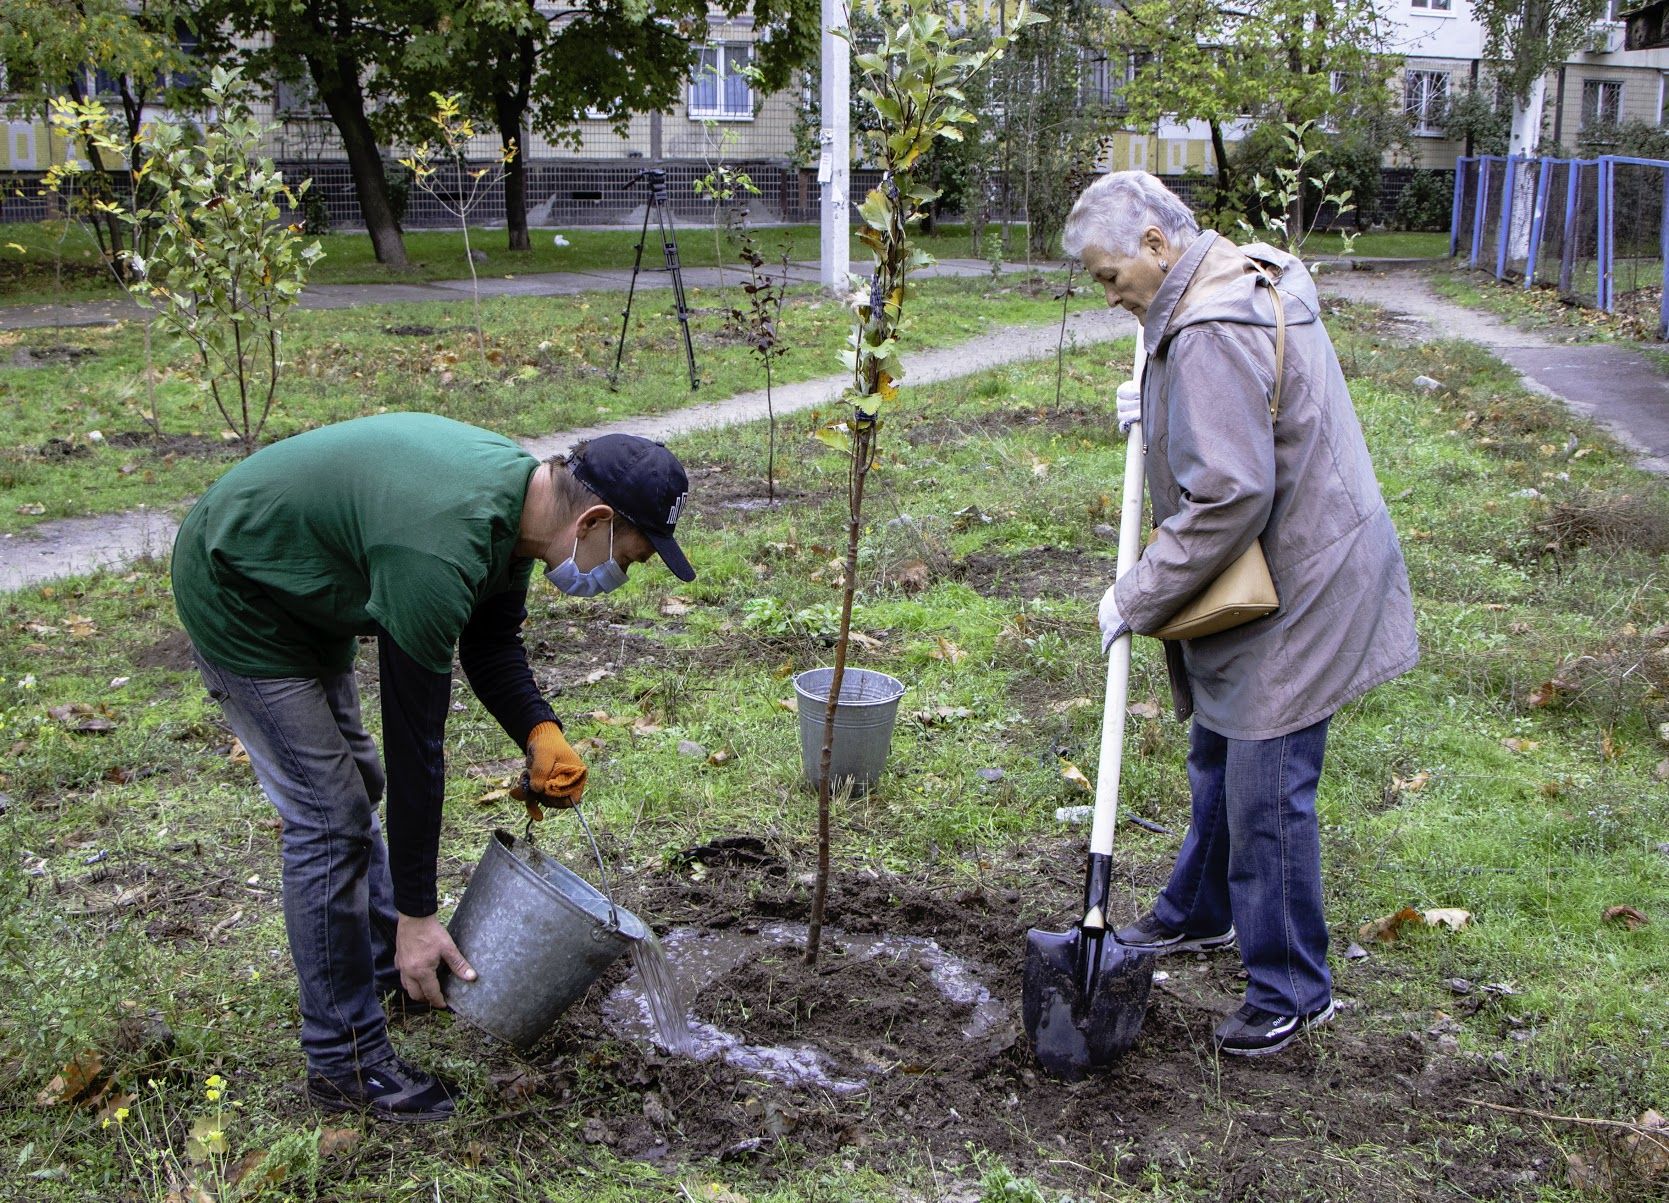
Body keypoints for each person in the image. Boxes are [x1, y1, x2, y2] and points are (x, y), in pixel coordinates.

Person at [171, 415, 695, 1119]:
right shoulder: (439, 548)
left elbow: (491, 641)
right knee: (330, 817)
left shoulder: (519, 512)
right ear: (596, 519)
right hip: (242, 588)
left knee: (357, 785)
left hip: (308, 582)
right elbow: (418, 741)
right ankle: (344, 1058)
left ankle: (387, 965)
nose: (621, 575)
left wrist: (541, 731)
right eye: (629, 558)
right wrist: (421, 914)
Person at [1063, 172, 1419, 1057]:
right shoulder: (1236, 271)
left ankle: (1293, 987)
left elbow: (1230, 493)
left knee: (1266, 783)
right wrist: (1156, 401)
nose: (1108, 297)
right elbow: (1249, 405)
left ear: (1154, 242)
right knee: (1218, 742)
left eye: (1109, 276)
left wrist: (1134, 593)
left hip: (1303, 578)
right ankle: (1200, 909)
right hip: (1300, 548)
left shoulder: (1213, 323)